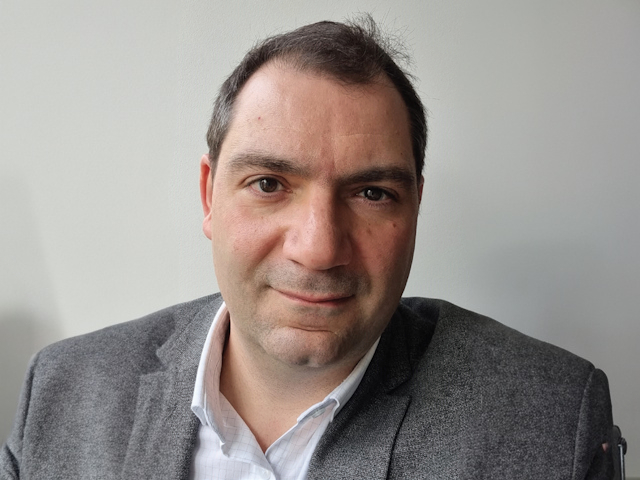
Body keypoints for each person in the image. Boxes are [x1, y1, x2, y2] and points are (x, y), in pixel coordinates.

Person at [1, 17, 614, 480]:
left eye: (371, 193)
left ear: (415, 208)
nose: (319, 249)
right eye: (269, 184)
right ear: (210, 196)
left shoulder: (551, 418)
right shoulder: (63, 391)